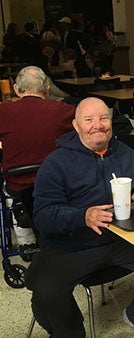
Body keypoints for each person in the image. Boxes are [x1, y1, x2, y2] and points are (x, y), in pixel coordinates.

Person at [26, 97, 134, 338]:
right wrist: (82, 216)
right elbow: (43, 216)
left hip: (123, 238)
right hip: (72, 246)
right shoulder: (55, 164)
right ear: (76, 126)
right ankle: (71, 333)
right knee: (47, 294)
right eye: (89, 120)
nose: (98, 125)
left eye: (104, 118)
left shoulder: (126, 153)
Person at [0, 66, 75, 244]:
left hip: (18, 184)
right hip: (58, 183)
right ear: (47, 89)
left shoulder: (4, 112)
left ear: (17, 90)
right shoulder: (64, 110)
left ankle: (24, 237)